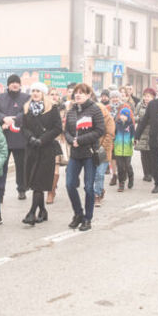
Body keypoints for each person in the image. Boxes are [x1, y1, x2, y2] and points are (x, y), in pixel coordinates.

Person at [63, 83, 105, 231]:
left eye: (82, 93)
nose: (78, 95)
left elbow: (100, 130)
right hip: (75, 154)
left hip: (89, 153)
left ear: (88, 95)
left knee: (88, 187)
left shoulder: (95, 109)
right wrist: (70, 140)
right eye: (76, 93)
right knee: (69, 184)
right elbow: (66, 130)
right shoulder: (71, 110)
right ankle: (78, 214)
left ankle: (88, 218)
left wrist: (80, 140)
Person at [20, 82, 62, 224]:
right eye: (33, 90)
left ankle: (32, 213)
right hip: (32, 149)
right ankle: (43, 211)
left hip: (46, 149)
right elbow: (23, 128)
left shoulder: (52, 108)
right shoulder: (27, 108)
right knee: (34, 182)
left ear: (43, 93)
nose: (35, 93)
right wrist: (31, 138)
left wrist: (42, 139)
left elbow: (57, 128)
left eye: (38, 90)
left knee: (38, 183)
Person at [0, 74, 29, 202]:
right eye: (12, 82)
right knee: (2, 166)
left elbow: (26, 112)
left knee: (21, 166)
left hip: (20, 138)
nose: (14, 84)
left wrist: (14, 119)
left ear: (20, 84)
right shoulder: (0, 97)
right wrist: (3, 118)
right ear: (8, 84)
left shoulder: (26, 97)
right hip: (3, 137)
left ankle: (22, 189)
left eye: (17, 82)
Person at [92, 95, 116, 206]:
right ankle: (99, 190)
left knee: (100, 174)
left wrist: (101, 147)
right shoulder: (91, 119)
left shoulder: (109, 119)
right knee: (93, 174)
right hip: (92, 150)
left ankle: (96, 195)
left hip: (104, 150)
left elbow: (110, 135)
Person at [134, 88, 155, 182]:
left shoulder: (155, 105)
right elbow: (134, 116)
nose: (146, 98)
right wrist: (140, 119)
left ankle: (151, 173)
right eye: (145, 96)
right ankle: (146, 173)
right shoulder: (140, 105)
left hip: (152, 132)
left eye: (148, 96)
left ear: (153, 97)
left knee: (151, 153)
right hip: (142, 131)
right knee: (144, 154)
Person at [113, 105, 136, 192]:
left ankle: (131, 177)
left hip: (127, 149)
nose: (123, 117)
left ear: (128, 116)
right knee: (120, 167)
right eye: (121, 115)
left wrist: (133, 141)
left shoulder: (130, 126)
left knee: (127, 166)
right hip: (118, 149)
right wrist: (113, 141)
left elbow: (133, 135)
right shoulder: (117, 124)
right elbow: (113, 134)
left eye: (125, 115)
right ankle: (121, 183)